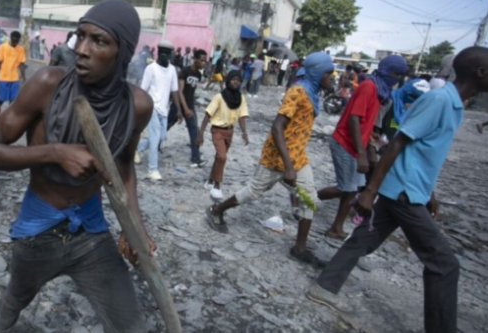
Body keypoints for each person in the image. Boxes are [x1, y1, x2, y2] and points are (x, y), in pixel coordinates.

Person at [0, 0, 154, 333]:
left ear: (124, 52)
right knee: (15, 298)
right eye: (80, 36)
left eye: (99, 41)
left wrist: (135, 229)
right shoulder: (47, 84)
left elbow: (125, 166)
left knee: (130, 325)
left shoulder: (138, 105)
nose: (82, 50)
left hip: (90, 230)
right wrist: (54, 152)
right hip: (37, 231)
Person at [308, 47, 488, 333]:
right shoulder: (439, 100)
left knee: (363, 239)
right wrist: (369, 192)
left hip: (409, 188)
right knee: (444, 265)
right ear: (480, 72)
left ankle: (324, 286)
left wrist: (429, 192)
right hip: (403, 191)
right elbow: (396, 144)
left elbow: (423, 153)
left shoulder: (453, 103)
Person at [205, 52, 335, 267]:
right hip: (277, 156)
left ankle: (299, 249)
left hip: (298, 157)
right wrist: (288, 167)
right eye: (328, 72)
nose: (332, 77)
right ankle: (217, 209)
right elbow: (276, 128)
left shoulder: (312, 93)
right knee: (254, 190)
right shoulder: (297, 92)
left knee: (309, 198)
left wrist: (294, 164)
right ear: (317, 72)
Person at [317, 55, 408, 240]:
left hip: (355, 144)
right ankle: (306, 197)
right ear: (386, 70)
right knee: (346, 188)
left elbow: (366, 124)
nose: (397, 78)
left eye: (401, 75)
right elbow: (353, 119)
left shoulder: (381, 92)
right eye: (395, 73)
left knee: (354, 188)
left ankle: (337, 226)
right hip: (344, 142)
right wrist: (362, 153)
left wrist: (371, 146)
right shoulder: (370, 87)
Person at [197, 69, 249, 200]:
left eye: (238, 80)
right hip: (217, 130)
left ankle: (209, 181)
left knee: (219, 158)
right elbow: (207, 115)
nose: (236, 82)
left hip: (229, 131)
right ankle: (217, 186)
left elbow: (242, 116)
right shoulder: (219, 97)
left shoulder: (240, 98)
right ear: (228, 81)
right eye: (233, 80)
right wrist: (200, 133)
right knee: (222, 157)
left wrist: (244, 132)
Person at [135, 40, 182, 181]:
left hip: (164, 109)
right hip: (152, 108)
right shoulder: (151, 69)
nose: (166, 55)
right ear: (159, 53)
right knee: (155, 140)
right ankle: (152, 170)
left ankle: (137, 148)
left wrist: (178, 110)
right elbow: (143, 90)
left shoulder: (172, 70)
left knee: (161, 138)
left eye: (168, 53)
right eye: (163, 52)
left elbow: (175, 91)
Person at [168, 49, 207, 168]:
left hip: (190, 106)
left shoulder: (198, 74)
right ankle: (146, 147)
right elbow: (180, 92)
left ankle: (195, 158)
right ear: (195, 59)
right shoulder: (184, 71)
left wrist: (190, 108)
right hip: (178, 106)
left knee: (194, 131)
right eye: (201, 60)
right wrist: (185, 109)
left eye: (205, 61)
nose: (203, 63)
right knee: (165, 127)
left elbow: (191, 92)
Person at [0, 31, 26, 108]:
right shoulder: (2, 47)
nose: (15, 43)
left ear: (19, 40)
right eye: (13, 41)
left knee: (13, 100)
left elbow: (21, 64)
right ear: (10, 38)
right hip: (3, 77)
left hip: (14, 78)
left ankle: (9, 117)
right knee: (1, 99)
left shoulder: (21, 49)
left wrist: (24, 77)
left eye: (17, 41)